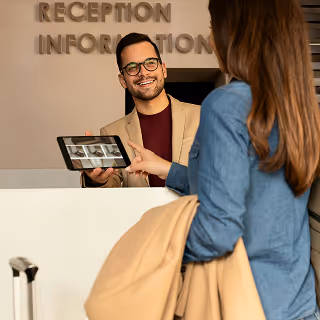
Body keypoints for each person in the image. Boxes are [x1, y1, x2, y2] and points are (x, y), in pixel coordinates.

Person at [125, 0, 320, 319]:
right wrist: (163, 167)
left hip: (244, 304)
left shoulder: (226, 105)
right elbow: (248, 188)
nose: (212, 39)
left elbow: (218, 231)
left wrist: (154, 245)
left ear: (237, 36)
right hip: (297, 304)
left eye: (215, 28)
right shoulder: (300, 109)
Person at [81, 33, 200, 188]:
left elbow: (221, 180)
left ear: (163, 69)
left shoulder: (203, 116)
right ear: (123, 80)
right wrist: (97, 180)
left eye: (150, 63)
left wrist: (166, 168)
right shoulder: (111, 132)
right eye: (132, 67)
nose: (143, 73)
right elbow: (113, 185)